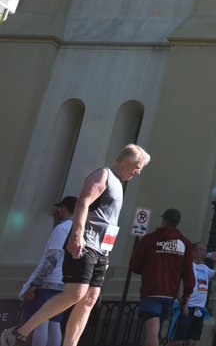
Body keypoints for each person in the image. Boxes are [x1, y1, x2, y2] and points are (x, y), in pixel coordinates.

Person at [2, 144, 151, 346]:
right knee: (75, 293)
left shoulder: (119, 184)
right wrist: (78, 235)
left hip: (102, 250)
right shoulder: (103, 174)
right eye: (139, 166)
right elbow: (83, 202)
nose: (139, 171)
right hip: (86, 243)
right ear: (125, 161)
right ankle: (18, 333)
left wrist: (106, 253)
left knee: (90, 299)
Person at [18, 196, 77, 346]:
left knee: (40, 322)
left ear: (64, 208)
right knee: (55, 323)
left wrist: (35, 283)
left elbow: (52, 257)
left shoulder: (62, 228)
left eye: (60, 208)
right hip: (66, 283)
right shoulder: (79, 229)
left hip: (49, 282)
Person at [130, 208, 194, 346]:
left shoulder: (148, 240)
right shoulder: (185, 243)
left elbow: (135, 266)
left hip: (152, 291)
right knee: (157, 331)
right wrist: (185, 298)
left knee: (152, 333)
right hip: (169, 295)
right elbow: (188, 273)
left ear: (163, 221)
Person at [170, 241, 216, 346]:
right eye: (202, 250)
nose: (205, 252)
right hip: (187, 307)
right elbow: (178, 286)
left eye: (205, 250)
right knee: (178, 341)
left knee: (192, 341)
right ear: (193, 252)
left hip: (199, 309)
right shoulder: (187, 266)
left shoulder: (205, 268)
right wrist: (183, 305)